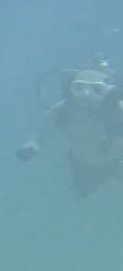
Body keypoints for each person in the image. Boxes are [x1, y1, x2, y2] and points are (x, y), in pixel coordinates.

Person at [17, 59, 123, 198]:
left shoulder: (118, 109)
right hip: (81, 167)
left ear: (107, 89)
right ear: (71, 89)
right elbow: (41, 136)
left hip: (117, 165)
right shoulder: (63, 111)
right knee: (77, 203)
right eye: (80, 88)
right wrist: (31, 147)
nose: (86, 94)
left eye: (96, 89)